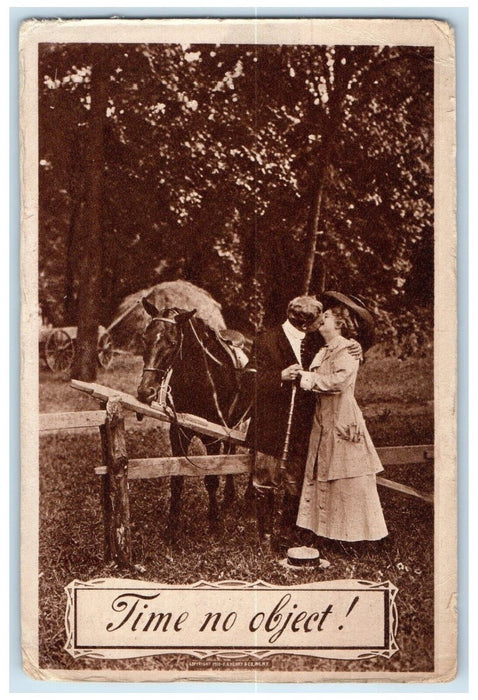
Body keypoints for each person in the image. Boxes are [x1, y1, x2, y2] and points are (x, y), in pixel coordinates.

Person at [247, 295, 360, 551]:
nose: (320, 324)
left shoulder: (316, 341)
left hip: (304, 424)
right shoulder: (266, 339)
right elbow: (248, 380)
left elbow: (340, 346)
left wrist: (356, 346)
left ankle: (288, 534)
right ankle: (265, 538)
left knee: (296, 479)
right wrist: (279, 376)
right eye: (316, 319)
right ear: (303, 321)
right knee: (265, 479)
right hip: (270, 424)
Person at [296, 292, 388, 546]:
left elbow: (338, 382)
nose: (320, 319)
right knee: (324, 471)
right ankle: (327, 533)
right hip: (324, 417)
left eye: (325, 316)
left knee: (348, 476)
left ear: (340, 323)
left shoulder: (347, 348)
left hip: (342, 417)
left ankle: (358, 537)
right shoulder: (324, 349)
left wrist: (305, 379)